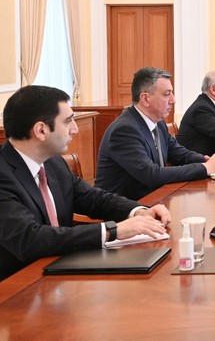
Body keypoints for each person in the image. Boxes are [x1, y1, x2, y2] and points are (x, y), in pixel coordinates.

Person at [0, 85, 171, 280]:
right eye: (68, 121)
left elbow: (93, 198)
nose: (74, 129)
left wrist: (138, 211)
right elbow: (29, 239)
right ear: (41, 130)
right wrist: (113, 231)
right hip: (18, 284)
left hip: (60, 269)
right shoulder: (3, 174)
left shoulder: (53, 162)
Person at [96, 67, 215, 200]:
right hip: (127, 207)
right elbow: (151, 175)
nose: (173, 100)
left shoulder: (158, 123)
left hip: (155, 199)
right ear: (145, 99)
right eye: (167, 94)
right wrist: (205, 168)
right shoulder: (124, 130)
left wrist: (207, 160)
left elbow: (177, 152)